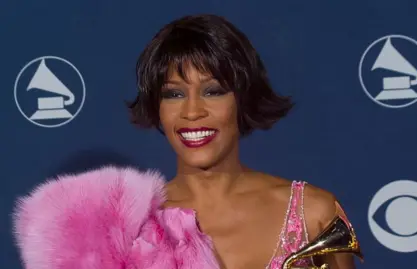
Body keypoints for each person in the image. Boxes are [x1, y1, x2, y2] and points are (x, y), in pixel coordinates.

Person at [12, 14, 361, 269]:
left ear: (242, 99)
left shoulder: (312, 212)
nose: (192, 111)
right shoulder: (131, 229)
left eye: (212, 91)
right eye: (174, 94)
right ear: (158, 108)